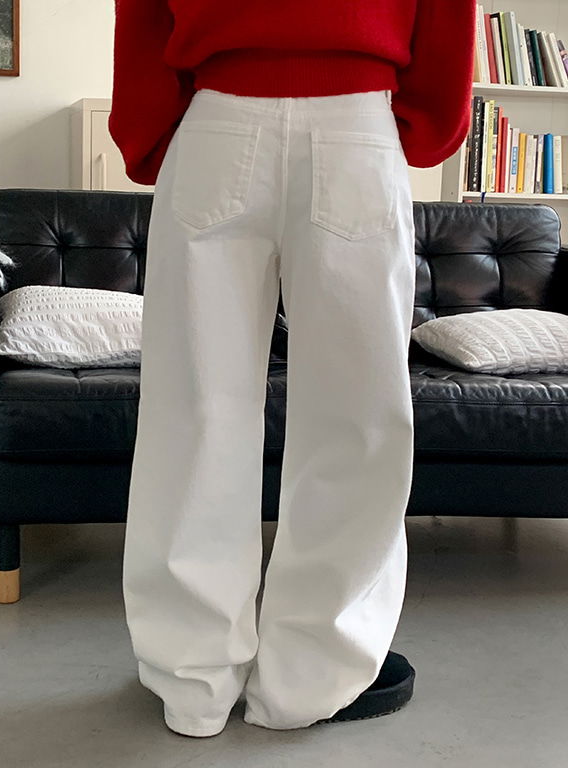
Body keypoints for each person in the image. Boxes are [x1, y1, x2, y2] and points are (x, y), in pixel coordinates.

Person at [108, 0, 476, 738]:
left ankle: (193, 679)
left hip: (216, 124)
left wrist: (153, 134)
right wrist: (424, 123)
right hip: (355, 127)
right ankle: (313, 675)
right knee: (354, 419)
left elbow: (143, 17)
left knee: (193, 412)